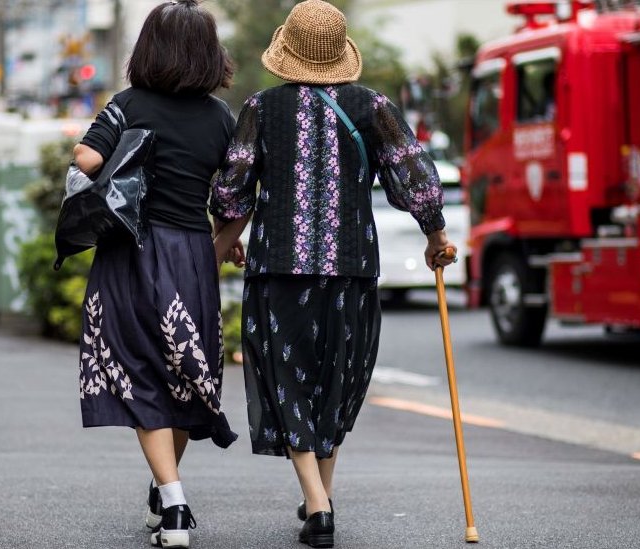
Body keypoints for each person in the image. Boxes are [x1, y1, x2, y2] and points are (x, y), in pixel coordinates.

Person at [209, 1, 455, 547]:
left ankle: (317, 505)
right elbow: (413, 171)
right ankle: (320, 492)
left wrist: (228, 238)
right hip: (352, 266)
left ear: (287, 52)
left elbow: (231, 188)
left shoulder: (261, 107)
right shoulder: (372, 106)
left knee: (289, 376)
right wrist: (435, 233)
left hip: (280, 268)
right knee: (336, 377)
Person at [72, 1, 238, 547]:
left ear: (150, 49)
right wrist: (224, 247)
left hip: (131, 255)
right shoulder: (221, 118)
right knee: (185, 375)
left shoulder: (128, 104)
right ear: (207, 54)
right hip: (192, 256)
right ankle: (165, 486)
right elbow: (236, 201)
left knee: (139, 371)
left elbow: (87, 160)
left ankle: (174, 503)